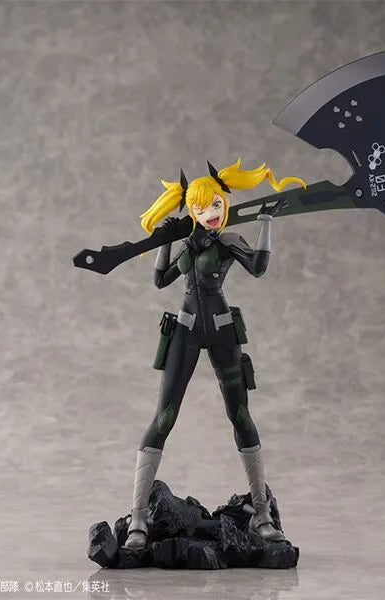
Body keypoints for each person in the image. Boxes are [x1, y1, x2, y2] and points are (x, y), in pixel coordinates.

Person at [124, 159, 305, 549]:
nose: (211, 213)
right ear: (192, 210)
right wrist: (166, 240)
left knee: (240, 414)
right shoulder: (188, 242)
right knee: (164, 417)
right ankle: (137, 518)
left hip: (223, 329)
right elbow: (160, 280)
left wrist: (266, 223)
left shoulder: (227, 241)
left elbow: (258, 267)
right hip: (185, 330)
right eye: (202, 207)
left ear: (225, 203)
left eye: (217, 205)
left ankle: (262, 514)